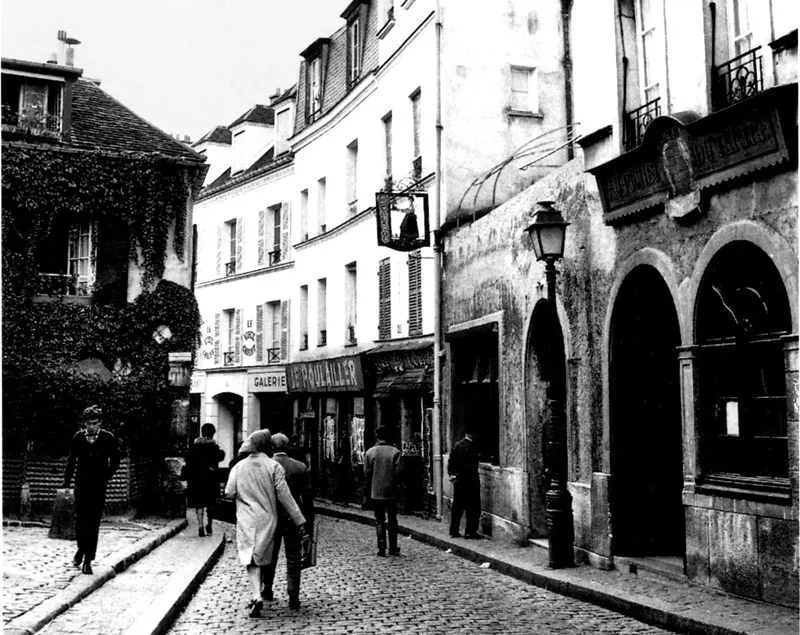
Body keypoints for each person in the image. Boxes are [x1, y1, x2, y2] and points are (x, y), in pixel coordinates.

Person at [225, 429, 307, 618]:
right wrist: (299, 520)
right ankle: (259, 594)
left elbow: (229, 492)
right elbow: (285, 497)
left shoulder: (239, 467)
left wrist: (243, 495)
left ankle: (257, 594)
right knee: (262, 556)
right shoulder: (273, 466)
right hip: (268, 518)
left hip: (246, 518)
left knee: (250, 557)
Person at [62, 405, 120, 575]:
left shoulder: (108, 438)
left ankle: (88, 559)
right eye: (88, 423)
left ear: (99, 422)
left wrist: (106, 476)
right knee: (80, 522)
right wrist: (66, 482)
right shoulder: (78, 438)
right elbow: (72, 461)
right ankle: (81, 549)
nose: (91, 426)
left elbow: (115, 460)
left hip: (98, 487)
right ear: (84, 423)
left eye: (94, 423)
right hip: (81, 485)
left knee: (93, 523)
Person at [261, 433, 315, 610]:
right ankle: (293, 595)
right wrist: (308, 521)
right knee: (293, 556)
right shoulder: (299, 467)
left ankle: (267, 589)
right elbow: (307, 498)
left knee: (270, 555)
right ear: (288, 446)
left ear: (272, 447)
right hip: (292, 518)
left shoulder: (266, 467)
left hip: (271, 518)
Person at [364, 426, 401, 557]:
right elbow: (398, 472)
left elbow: (367, 473)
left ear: (377, 436)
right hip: (391, 492)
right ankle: (393, 547)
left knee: (379, 520)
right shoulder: (395, 452)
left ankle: (381, 547)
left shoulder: (370, 452)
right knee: (392, 519)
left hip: (376, 491)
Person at [186, 423, 225, 537]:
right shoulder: (214, 447)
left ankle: (200, 526)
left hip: (197, 479)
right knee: (210, 503)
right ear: (212, 433)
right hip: (210, 479)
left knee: (199, 503)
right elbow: (220, 457)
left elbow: (189, 461)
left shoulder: (195, 447)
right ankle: (209, 524)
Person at [448, 429, 481, 539]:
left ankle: (454, 530)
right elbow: (473, 465)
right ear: (472, 434)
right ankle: (470, 531)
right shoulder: (473, 447)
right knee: (473, 507)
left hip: (459, 480)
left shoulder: (457, 445)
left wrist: (452, 475)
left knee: (457, 507)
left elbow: (451, 461)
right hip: (471, 481)